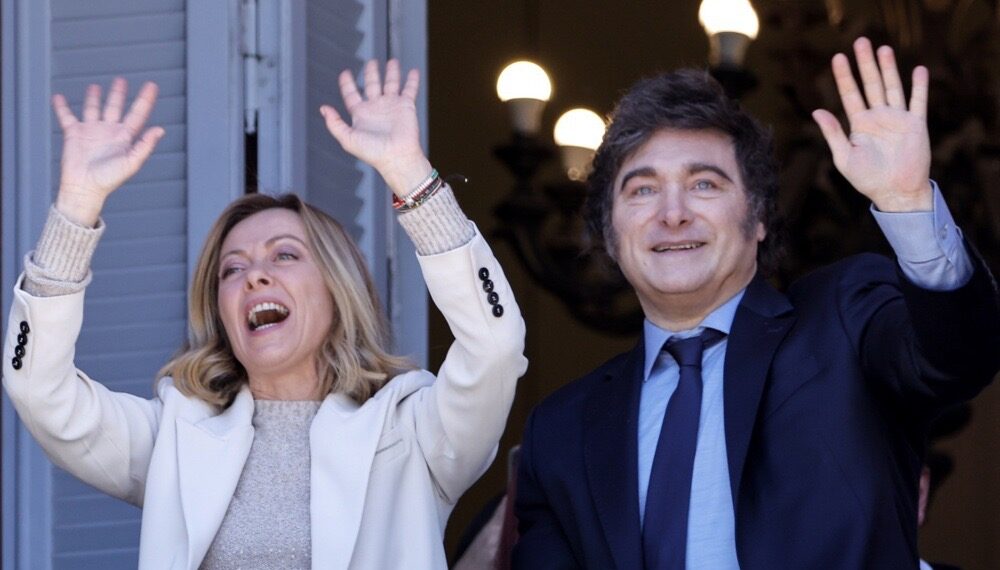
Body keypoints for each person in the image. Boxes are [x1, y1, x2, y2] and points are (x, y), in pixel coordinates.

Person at [2, 59, 527, 569]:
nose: (254, 276)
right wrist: (75, 207)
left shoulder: (413, 430)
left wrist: (411, 178)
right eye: (232, 269)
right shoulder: (175, 435)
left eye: (285, 255)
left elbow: (494, 347)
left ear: (336, 287)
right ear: (222, 314)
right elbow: (40, 390)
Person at [512, 37, 1000, 569]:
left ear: (760, 217)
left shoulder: (843, 322)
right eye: (642, 190)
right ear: (610, 232)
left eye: (704, 184)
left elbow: (958, 356)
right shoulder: (559, 431)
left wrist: (907, 204)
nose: (673, 214)